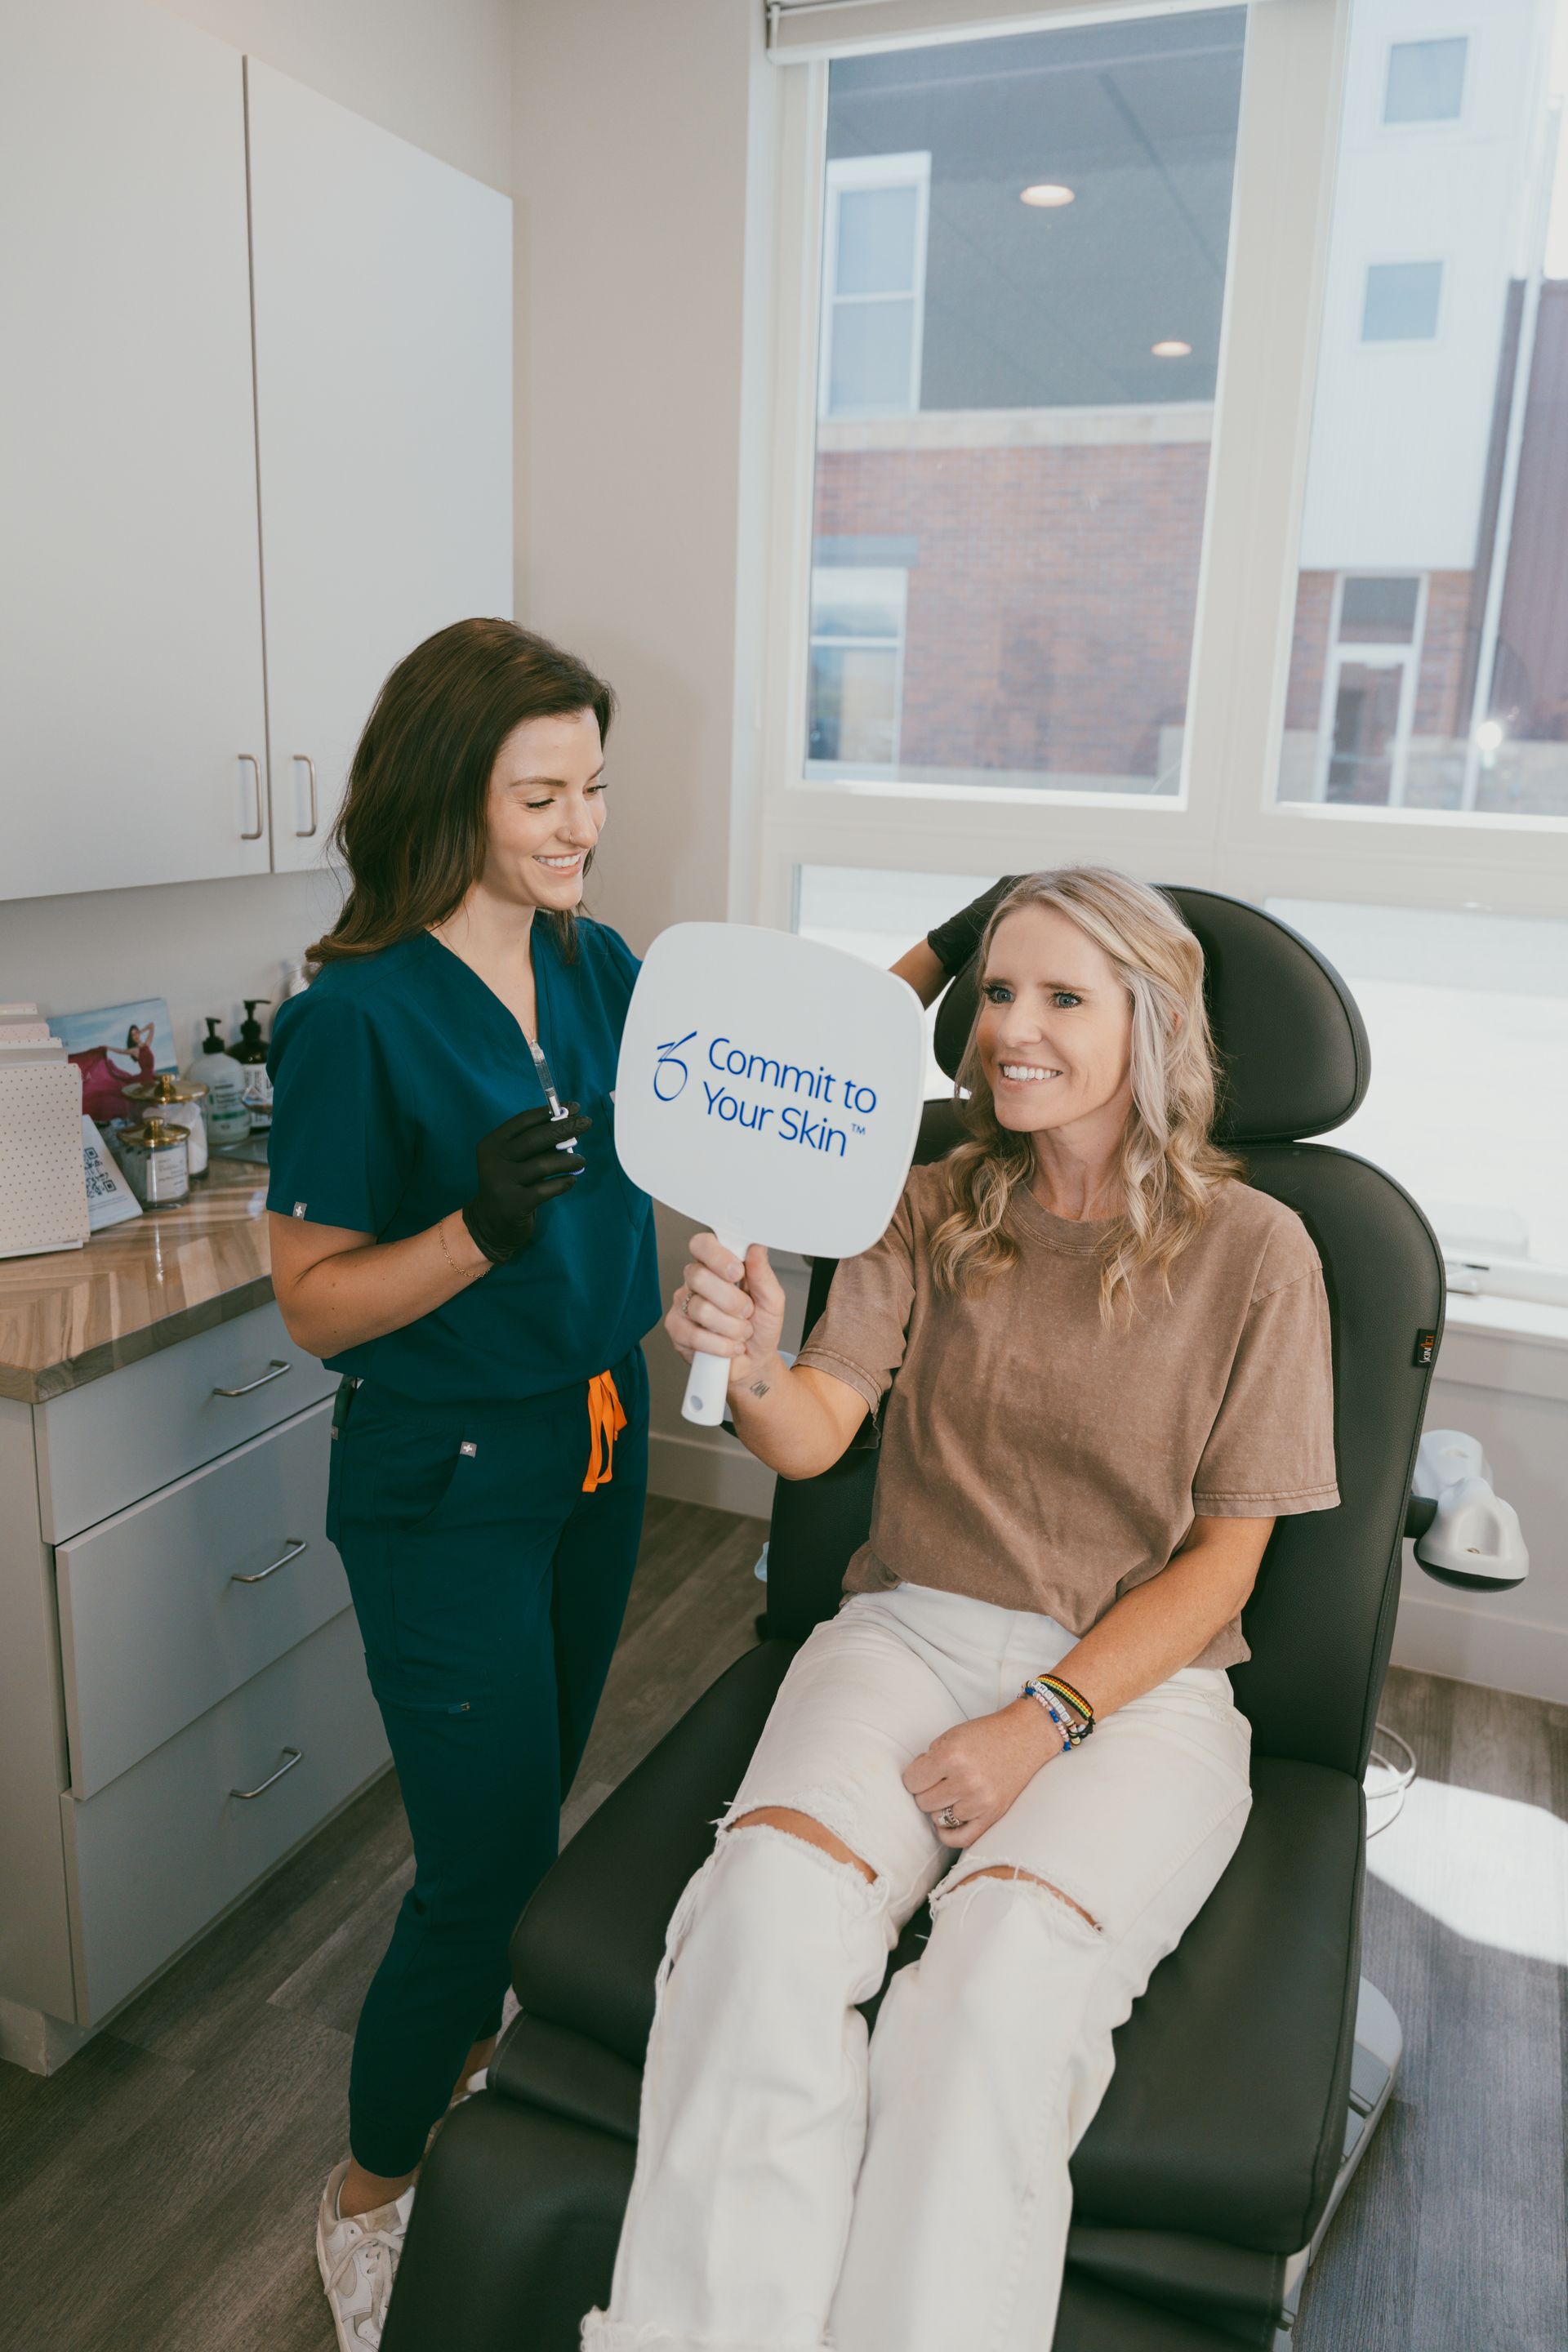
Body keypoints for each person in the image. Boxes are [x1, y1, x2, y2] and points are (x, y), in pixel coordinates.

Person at [584, 866, 1339, 2352]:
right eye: (997, 993)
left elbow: (1224, 1568)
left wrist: (1038, 1727)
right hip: (907, 1631)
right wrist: (745, 1360)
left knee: (986, 2002)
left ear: (1153, 1017)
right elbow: (815, 1430)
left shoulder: (1262, 1255)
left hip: (1135, 1693)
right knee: (761, 1926)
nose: (1013, 1029)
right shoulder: (926, 1200)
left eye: (1065, 996)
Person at [265, 618, 660, 2352]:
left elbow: (755, 1082)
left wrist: (949, 959)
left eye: (593, 788)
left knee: (536, 1826)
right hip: (451, 1477)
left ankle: (476, 2067)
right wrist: (474, 1229)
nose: (581, 825)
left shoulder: (600, 965)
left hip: (597, 1436)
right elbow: (314, 1303)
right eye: (543, 794)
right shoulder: (350, 1020)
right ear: (454, 790)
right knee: (483, 1874)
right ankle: (364, 2194)